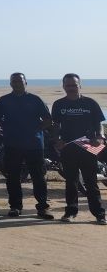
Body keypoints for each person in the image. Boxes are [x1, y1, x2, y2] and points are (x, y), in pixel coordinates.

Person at [0, 73, 55, 219]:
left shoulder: (35, 99)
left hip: (34, 144)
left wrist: (35, 129)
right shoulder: (4, 101)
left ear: (25, 83)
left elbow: (48, 120)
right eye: (14, 81)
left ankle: (43, 207)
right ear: (10, 83)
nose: (17, 83)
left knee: (38, 177)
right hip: (12, 144)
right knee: (13, 177)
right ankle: (15, 206)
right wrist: (4, 129)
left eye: (20, 81)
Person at [50, 74, 106, 224]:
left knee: (91, 182)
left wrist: (100, 136)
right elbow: (55, 126)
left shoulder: (90, 103)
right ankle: (70, 212)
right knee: (71, 181)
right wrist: (57, 140)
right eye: (68, 85)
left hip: (87, 147)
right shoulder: (58, 104)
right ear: (63, 87)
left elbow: (99, 123)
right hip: (68, 148)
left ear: (80, 85)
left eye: (74, 85)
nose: (71, 88)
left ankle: (99, 214)